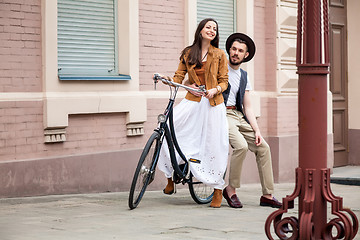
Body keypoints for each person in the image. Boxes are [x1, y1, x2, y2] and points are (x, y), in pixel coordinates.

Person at [157, 18, 229, 208]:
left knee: (213, 145)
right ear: (200, 30)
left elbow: (224, 81)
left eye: (215, 28)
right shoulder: (189, 53)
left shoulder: (220, 54)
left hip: (213, 104)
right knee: (169, 132)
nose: (212, 30)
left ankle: (217, 190)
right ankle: (171, 176)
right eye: (208, 27)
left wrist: (216, 90)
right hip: (193, 101)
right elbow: (178, 76)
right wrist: (168, 79)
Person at [222, 33, 282, 208]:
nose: (236, 53)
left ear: (245, 55)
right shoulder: (219, 68)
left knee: (263, 147)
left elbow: (247, 107)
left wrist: (256, 130)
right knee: (241, 146)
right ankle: (231, 190)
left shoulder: (244, 76)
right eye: (234, 49)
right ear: (229, 50)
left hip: (238, 116)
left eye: (240, 51)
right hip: (222, 114)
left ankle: (267, 195)